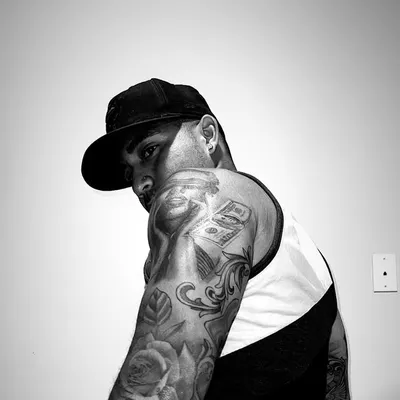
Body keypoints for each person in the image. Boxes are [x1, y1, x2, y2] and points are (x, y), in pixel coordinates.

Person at [81, 78, 350, 400]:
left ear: (207, 135)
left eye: (150, 150)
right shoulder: (296, 242)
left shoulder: (204, 198)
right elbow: (335, 361)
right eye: (130, 172)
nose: (139, 185)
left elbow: (158, 387)